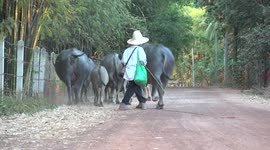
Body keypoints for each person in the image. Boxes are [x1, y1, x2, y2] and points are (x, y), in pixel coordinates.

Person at [119, 30, 148, 110]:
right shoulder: (140, 50)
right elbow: (143, 62)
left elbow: (123, 62)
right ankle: (125, 103)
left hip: (129, 71)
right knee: (133, 86)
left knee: (134, 86)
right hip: (137, 71)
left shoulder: (127, 50)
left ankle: (142, 103)